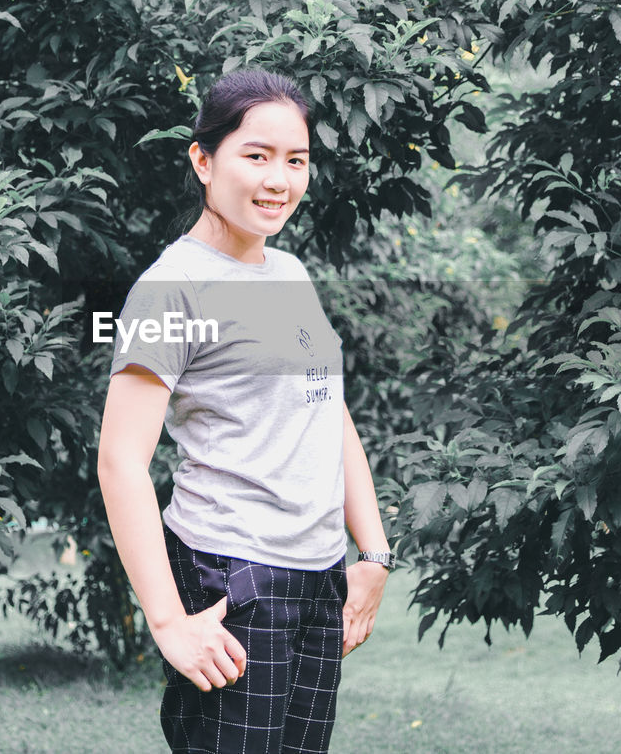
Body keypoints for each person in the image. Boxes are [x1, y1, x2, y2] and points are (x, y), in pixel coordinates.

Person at [96, 68, 392, 754]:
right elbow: (121, 461)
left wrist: (372, 551)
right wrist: (169, 621)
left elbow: (328, 406)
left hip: (319, 584)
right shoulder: (173, 288)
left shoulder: (288, 275)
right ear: (203, 160)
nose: (278, 180)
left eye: (296, 160)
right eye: (255, 156)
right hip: (234, 580)